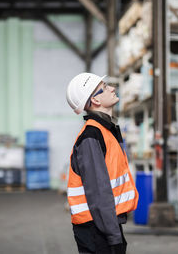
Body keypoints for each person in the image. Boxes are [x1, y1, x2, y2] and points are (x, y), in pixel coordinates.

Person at [66, 72, 139, 254]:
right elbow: (99, 192)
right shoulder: (92, 136)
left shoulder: (106, 131)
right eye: (105, 87)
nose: (112, 88)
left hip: (103, 225)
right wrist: (113, 236)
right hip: (96, 229)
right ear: (95, 101)